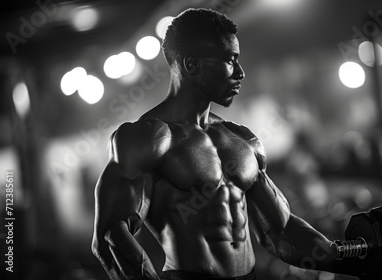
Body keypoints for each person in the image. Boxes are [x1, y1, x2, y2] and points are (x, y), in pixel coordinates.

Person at [91, 8, 351, 280]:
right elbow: (111, 238)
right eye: (230, 60)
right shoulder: (149, 138)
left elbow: (280, 232)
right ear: (192, 65)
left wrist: (349, 260)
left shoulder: (242, 139)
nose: (240, 72)